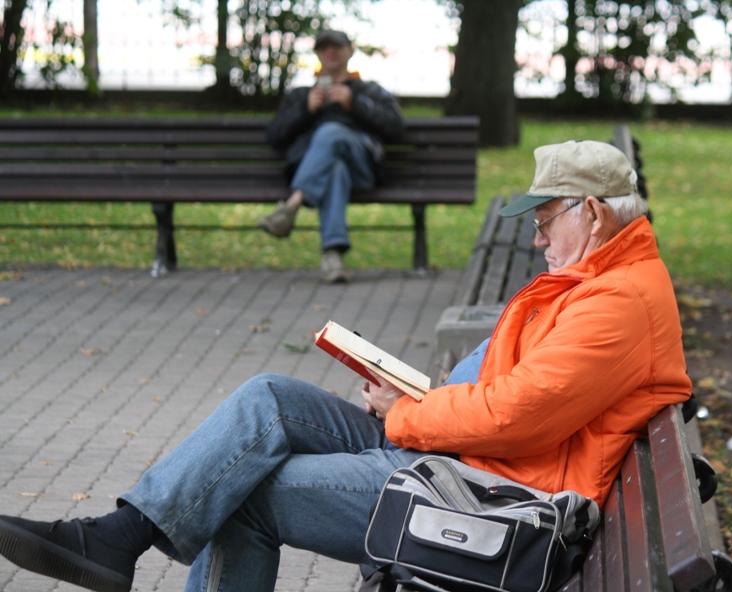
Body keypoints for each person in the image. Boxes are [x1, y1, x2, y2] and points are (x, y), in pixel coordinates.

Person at [0, 140, 692, 592]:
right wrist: (412, 394)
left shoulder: (617, 302)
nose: (536, 235)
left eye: (546, 219)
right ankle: (116, 537)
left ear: (593, 214)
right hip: (467, 454)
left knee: (246, 495)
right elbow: (503, 391)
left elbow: (517, 416)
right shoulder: (590, 280)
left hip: (493, 495)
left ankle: (115, 540)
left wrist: (411, 414)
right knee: (269, 397)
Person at [259, 29, 405, 283]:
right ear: (317, 54)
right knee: (335, 168)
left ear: (350, 51)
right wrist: (305, 110)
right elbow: (275, 136)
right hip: (327, 178)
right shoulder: (302, 94)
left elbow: (395, 128)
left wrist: (354, 103)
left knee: (332, 132)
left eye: (336, 46)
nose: (330, 51)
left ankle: (292, 205)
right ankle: (332, 256)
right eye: (324, 47)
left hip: (363, 171)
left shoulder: (368, 91)